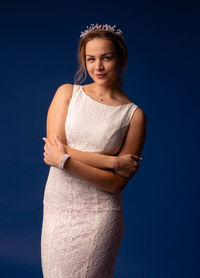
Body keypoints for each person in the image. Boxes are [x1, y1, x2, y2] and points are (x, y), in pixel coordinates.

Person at [41, 23, 146, 278]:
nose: (98, 67)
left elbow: (115, 185)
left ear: (120, 58)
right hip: (57, 210)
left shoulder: (134, 115)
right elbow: (53, 153)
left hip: (100, 215)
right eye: (91, 59)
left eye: (106, 58)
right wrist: (112, 162)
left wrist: (66, 159)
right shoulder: (67, 93)